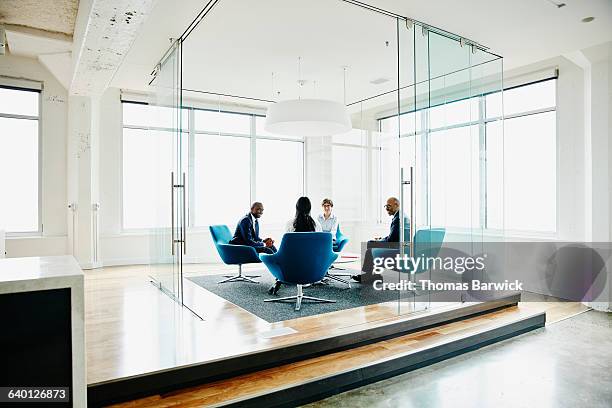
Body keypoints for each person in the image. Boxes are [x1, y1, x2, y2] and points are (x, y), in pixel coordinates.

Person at [269, 197, 322, 295]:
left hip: (292, 267)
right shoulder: (317, 225)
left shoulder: (290, 224)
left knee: (279, 255)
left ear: (296, 208)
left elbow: (286, 249)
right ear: (310, 208)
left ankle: (279, 279)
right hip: (313, 268)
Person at [351, 197, 408, 283]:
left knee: (370, 245)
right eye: (386, 206)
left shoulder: (398, 219)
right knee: (372, 245)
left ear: (396, 205)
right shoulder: (400, 215)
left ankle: (370, 275)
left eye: (389, 206)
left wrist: (380, 241)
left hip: (398, 247)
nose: (387, 209)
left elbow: (392, 240)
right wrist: (381, 239)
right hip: (400, 245)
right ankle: (374, 274)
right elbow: (394, 236)